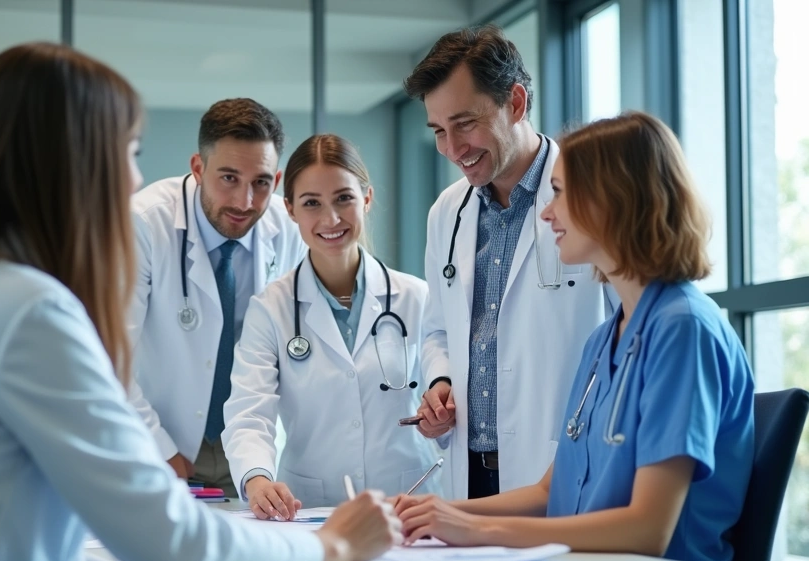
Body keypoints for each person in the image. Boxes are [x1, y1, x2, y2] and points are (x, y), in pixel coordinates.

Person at [0, 42, 401, 561]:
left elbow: (37, 526)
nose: (136, 179)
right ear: (72, 161)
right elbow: (173, 543)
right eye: (130, 152)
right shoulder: (29, 315)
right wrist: (331, 546)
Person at [393, 111, 754, 561]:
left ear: (613, 200)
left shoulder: (683, 329)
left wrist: (475, 530)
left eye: (559, 194)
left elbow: (648, 530)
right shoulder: (606, 339)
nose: (545, 211)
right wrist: (433, 512)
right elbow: (550, 490)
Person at [403, 25, 609, 499]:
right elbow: (437, 328)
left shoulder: (592, 194)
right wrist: (438, 382)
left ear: (515, 103)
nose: (452, 150)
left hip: (560, 463)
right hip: (469, 472)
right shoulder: (446, 213)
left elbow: (629, 324)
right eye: (438, 131)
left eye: (465, 124)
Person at [222, 134, 441, 517]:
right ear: (290, 209)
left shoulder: (417, 298)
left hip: (409, 502)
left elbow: (449, 395)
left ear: (367, 199)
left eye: (344, 198)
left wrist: (442, 416)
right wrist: (257, 478)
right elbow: (248, 411)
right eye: (311, 203)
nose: (331, 219)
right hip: (312, 509)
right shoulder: (271, 309)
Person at [126, 98, 305, 496]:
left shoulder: (289, 229)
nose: (244, 202)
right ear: (198, 168)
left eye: (260, 182)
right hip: (155, 440)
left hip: (251, 450)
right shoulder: (142, 223)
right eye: (228, 178)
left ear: (276, 181)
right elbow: (110, 356)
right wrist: (161, 450)